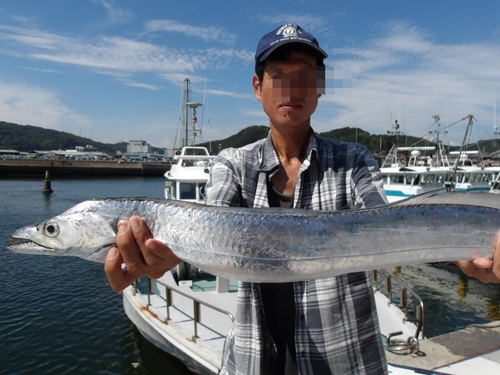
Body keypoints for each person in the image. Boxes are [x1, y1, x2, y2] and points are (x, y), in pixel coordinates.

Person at [105, 24, 500, 375]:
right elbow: (213, 230)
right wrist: (165, 254)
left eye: (305, 77)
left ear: (320, 88)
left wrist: (462, 253)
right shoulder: (232, 163)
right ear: (257, 87)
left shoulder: (353, 161)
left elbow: (388, 224)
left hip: (347, 360)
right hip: (253, 359)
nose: (292, 90)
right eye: (278, 77)